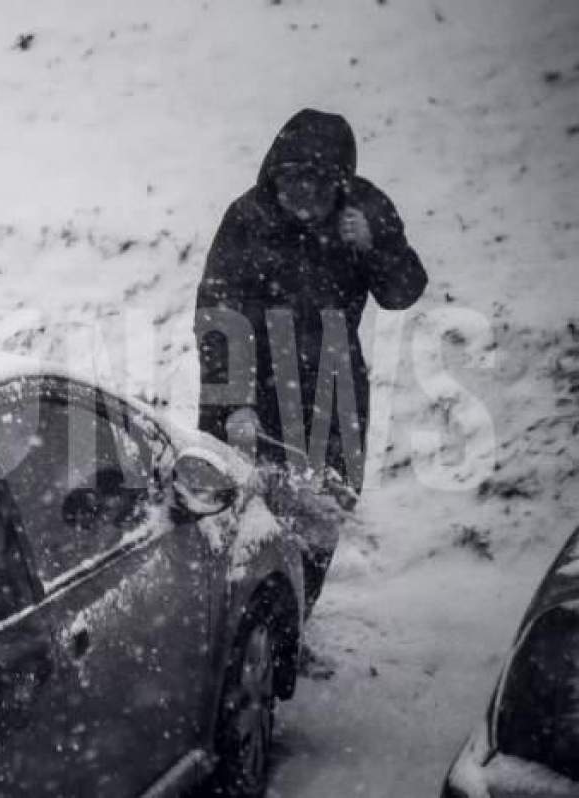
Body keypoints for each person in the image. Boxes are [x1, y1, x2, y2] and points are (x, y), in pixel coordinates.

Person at [194, 108, 427, 603]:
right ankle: (226, 621)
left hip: (331, 389)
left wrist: (375, 245)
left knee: (320, 517)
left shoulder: (364, 212)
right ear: (274, 176)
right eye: (290, 184)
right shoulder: (248, 218)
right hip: (249, 384)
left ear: (337, 186)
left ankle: (290, 624)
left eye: (315, 187)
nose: (300, 198)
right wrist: (234, 402)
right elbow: (217, 311)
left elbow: (403, 292)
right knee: (229, 515)